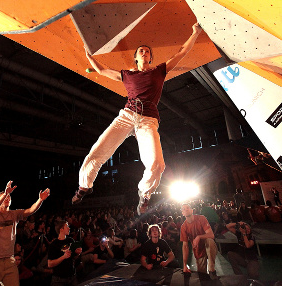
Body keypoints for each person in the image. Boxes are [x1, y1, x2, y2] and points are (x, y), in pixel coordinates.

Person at [72, 23, 204, 214]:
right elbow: (103, 71)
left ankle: (145, 193)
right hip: (127, 116)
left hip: (148, 120)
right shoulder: (127, 75)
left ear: (151, 57)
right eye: (141, 51)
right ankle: (84, 186)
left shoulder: (159, 71)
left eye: (147, 51)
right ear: (135, 57)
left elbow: (182, 52)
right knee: (97, 152)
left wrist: (195, 32)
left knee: (158, 164)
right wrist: (89, 57)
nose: (144, 52)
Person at [0, 181, 50, 286]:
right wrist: (5, 194)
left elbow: (30, 210)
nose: (7, 198)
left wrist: (40, 200)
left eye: (9, 197)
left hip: (9, 261)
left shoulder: (14, 214)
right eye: (4, 197)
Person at [180, 204, 218, 279]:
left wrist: (199, 237)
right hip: (198, 250)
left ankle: (211, 269)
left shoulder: (201, 218)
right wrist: (184, 265)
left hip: (208, 246)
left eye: (188, 208)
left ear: (192, 210)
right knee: (202, 276)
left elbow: (211, 235)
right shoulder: (184, 227)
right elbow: (185, 246)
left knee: (209, 240)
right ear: (182, 213)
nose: (186, 209)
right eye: (184, 209)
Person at [47, 221, 82, 286]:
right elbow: (50, 264)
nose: (69, 228)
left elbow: (73, 258)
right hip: (59, 280)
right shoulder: (54, 245)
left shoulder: (70, 240)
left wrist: (77, 253)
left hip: (72, 277)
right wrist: (63, 257)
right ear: (61, 229)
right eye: (67, 226)